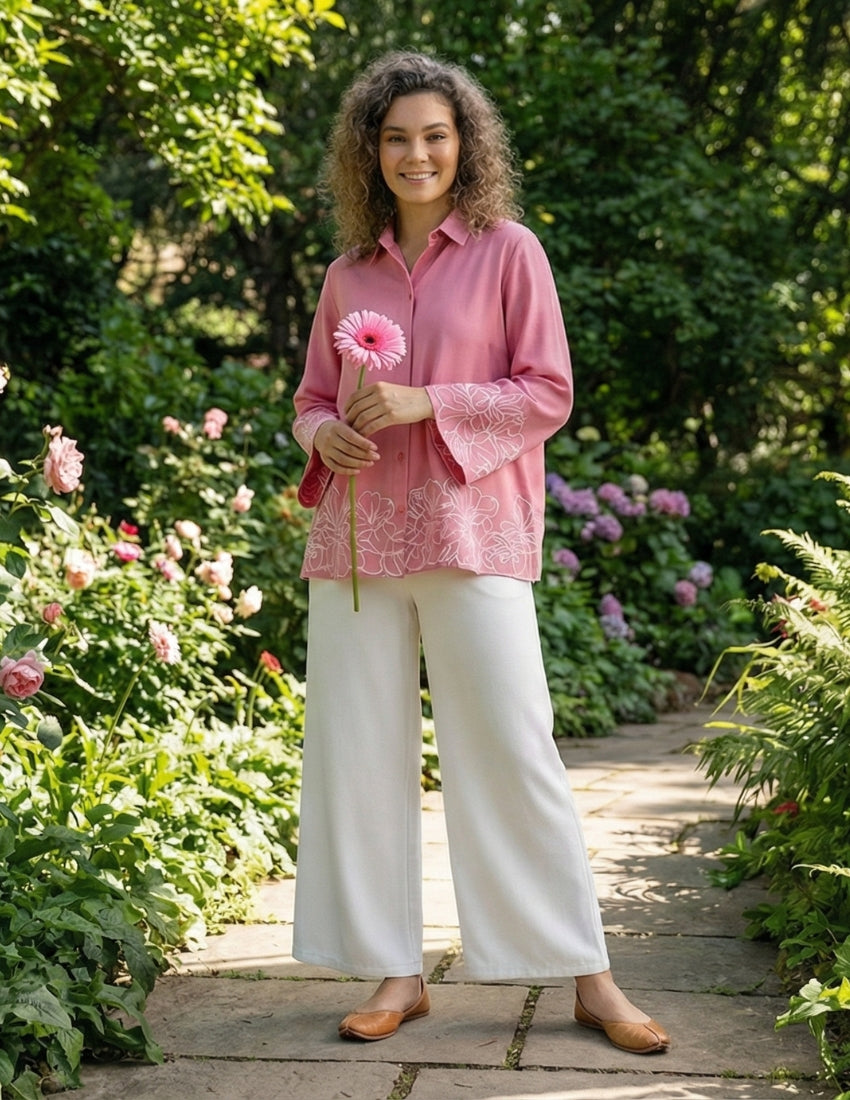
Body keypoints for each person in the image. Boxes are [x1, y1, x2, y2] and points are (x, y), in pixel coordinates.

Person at [290, 49, 670, 1056]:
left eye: (435, 135)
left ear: (464, 148)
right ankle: (394, 969)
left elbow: (548, 391)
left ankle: (588, 974)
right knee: (358, 753)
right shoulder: (345, 273)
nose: (416, 153)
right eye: (397, 137)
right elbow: (310, 401)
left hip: (472, 531)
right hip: (361, 539)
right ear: (370, 153)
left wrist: (430, 402)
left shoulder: (512, 253)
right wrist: (320, 435)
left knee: (512, 745)